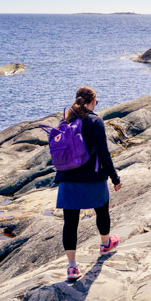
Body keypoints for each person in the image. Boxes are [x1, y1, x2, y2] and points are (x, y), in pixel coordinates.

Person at [55, 86, 122, 281]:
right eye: (96, 102)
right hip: (93, 177)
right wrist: (115, 178)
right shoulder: (95, 121)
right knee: (102, 211)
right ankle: (105, 244)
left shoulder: (65, 121)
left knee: (70, 222)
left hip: (67, 179)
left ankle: (72, 267)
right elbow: (104, 154)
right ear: (92, 102)